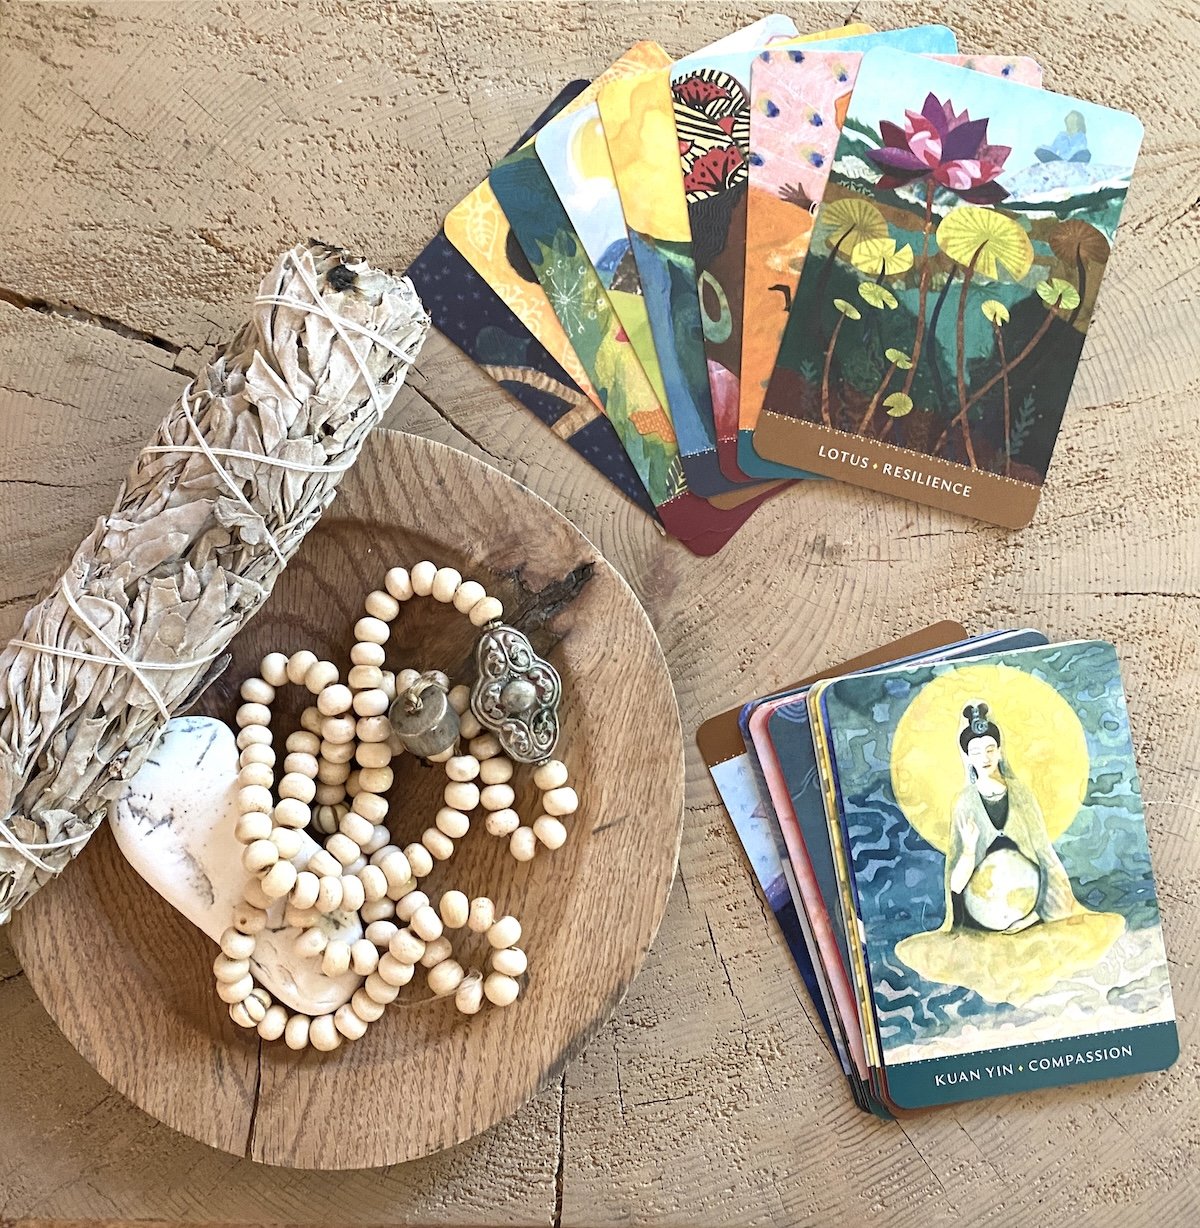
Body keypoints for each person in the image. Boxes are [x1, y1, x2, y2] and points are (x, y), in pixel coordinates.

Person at [940, 701, 1080, 932]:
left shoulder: (1021, 793)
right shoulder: (965, 802)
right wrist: (968, 849)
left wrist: (1036, 913)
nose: (984, 758)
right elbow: (955, 884)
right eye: (975, 752)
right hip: (983, 911)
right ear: (967, 758)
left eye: (990, 749)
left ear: (1000, 751)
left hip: (1030, 907)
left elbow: (1044, 853)